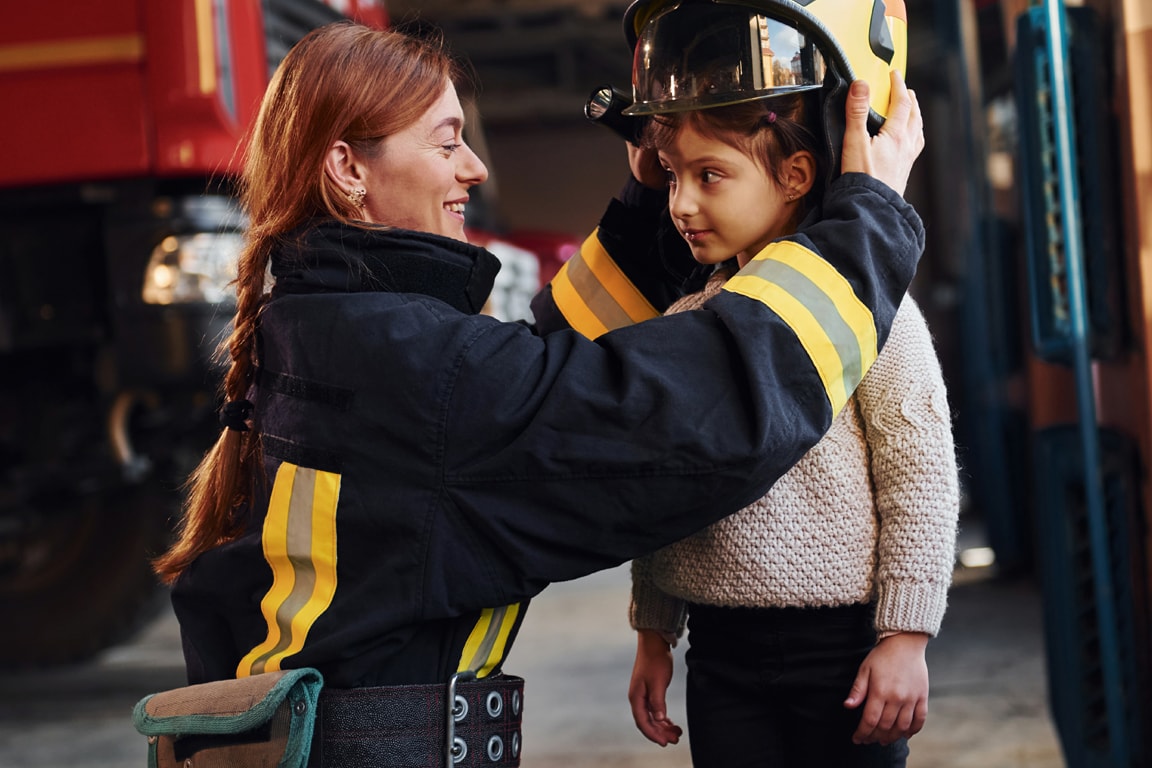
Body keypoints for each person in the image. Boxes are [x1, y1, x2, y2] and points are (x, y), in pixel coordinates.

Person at [150, 16, 925, 768]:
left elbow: (539, 371)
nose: (475, 168)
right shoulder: (405, 362)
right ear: (349, 170)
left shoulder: (340, 327)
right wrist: (868, 224)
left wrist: (654, 213)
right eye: (447, 142)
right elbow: (690, 418)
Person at [615, 3, 959, 767]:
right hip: (720, 652)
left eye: (710, 176)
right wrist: (654, 630)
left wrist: (905, 638)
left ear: (795, 174)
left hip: (842, 653)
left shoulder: (871, 312)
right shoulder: (689, 319)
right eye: (673, 177)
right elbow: (673, 491)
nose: (680, 204)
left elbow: (920, 476)